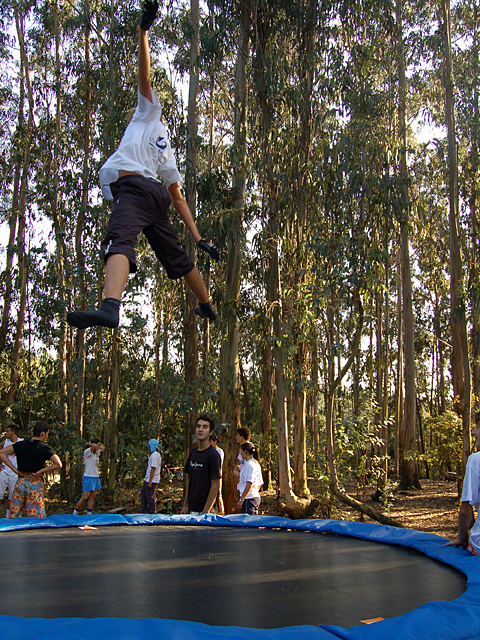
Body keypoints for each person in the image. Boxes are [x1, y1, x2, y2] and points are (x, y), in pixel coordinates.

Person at [67, 0, 218, 332]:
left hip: (135, 190)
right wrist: (200, 238)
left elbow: (144, 78)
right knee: (177, 257)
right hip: (157, 197)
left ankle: (110, 307)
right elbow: (177, 198)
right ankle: (206, 304)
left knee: (120, 238)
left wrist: (143, 32)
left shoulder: (147, 112)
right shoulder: (168, 150)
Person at [0, 421, 62, 519]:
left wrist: (14, 470)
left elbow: (1, 453)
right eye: (47, 434)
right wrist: (41, 471)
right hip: (35, 484)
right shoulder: (43, 448)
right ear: (42, 433)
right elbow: (58, 464)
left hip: (21, 482)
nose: (46, 437)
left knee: (14, 515)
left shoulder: (20, 444)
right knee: (36, 518)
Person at [447, 412, 480, 554]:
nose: (473, 432)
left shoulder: (475, 460)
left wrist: (462, 538)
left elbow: (465, 510)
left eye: (478, 427)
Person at [181, 414, 221, 514]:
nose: (200, 429)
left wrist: (206, 511)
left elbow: (215, 485)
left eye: (205, 427)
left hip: (208, 511)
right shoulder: (193, 453)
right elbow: (189, 480)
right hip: (192, 509)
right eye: (198, 426)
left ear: (211, 432)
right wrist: (185, 505)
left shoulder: (213, 455)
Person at [73, 438, 105, 516]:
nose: (99, 446)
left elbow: (103, 448)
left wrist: (98, 446)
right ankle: (75, 511)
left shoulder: (96, 453)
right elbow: (93, 447)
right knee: (85, 496)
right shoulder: (87, 452)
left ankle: (89, 512)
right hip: (88, 476)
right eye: (97, 444)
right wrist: (91, 444)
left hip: (95, 476)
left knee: (93, 495)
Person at [0, 424, 23, 518]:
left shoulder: (21, 442)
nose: (6, 433)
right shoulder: (5, 442)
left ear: (13, 432)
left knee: (11, 496)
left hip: (15, 473)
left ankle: (8, 516)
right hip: (4, 471)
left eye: (8, 431)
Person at [237, 443, 263, 515]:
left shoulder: (250, 464)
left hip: (249, 499)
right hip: (252, 497)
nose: (240, 454)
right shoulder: (255, 463)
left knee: (248, 523)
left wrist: (242, 499)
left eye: (241, 452)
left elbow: (249, 483)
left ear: (245, 452)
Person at [139, 438, 162, 514]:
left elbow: (153, 468)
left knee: (150, 497)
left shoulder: (155, 455)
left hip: (152, 479)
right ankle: (143, 510)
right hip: (148, 479)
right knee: (143, 494)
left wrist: (150, 481)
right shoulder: (153, 455)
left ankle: (153, 512)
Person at [210, 432, 225, 515]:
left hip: (218, 475)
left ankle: (221, 511)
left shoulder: (219, 451)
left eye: (211, 441)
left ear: (215, 441)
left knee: (218, 494)